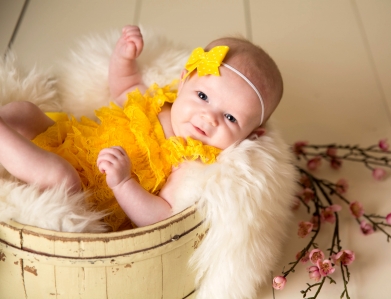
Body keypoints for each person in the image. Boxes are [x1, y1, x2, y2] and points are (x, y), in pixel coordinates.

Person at [0, 25, 283, 231]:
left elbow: (161, 216)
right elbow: (124, 86)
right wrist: (123, 58)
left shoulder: (193, 163)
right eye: (203, 97)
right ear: (184, 80)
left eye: (231, 118)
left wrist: (123, 183)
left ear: (251, 136)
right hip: (74, 142)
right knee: (26, 111)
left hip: (85, 187)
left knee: (59, 175)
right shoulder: (159, 104)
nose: (208, 117)